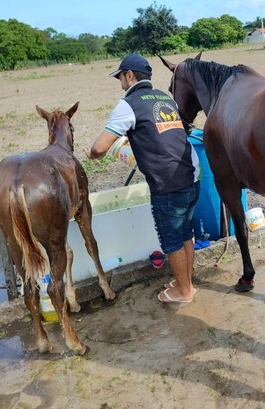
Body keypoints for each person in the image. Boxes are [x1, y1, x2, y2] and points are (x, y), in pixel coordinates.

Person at [85, 53, 200, 303]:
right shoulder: (164, 97)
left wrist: (92, 155)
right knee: (186, 233)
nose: (120, 83)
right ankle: (186, 281)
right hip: (192, 174)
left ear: (130, 75)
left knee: (171, 239)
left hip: (167, 183)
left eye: (120, 77)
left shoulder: (129, 103)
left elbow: (99, 148)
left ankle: (184, 291)